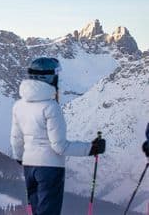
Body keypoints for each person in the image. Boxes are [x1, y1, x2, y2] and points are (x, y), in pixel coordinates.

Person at [10, 57, 106, 215]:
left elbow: (16, 139)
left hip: (29, 167)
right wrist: (92, 148)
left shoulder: (19, 106)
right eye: (56, 76)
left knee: (35, 211)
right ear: (49, 78)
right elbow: (60, 146)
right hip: (50, 168)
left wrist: (21, 157)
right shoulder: (51, 107)